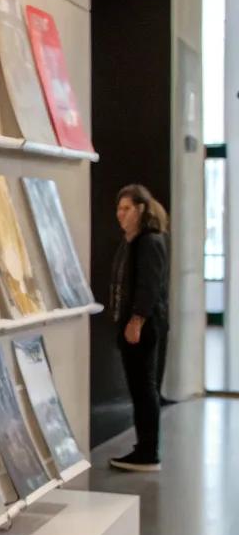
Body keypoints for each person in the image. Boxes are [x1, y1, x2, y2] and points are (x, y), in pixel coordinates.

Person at [108, 184, 170, 472]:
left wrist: (136, 321)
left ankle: (148, 452)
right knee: (139, 388)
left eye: (127, 208)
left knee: (144, 388)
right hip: (132, 326)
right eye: (119, 209)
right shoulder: (132, 241)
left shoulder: (149, 241)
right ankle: (143, 447)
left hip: (143, 327)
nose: (121, 214)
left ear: (141, 209)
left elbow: (149, 286)